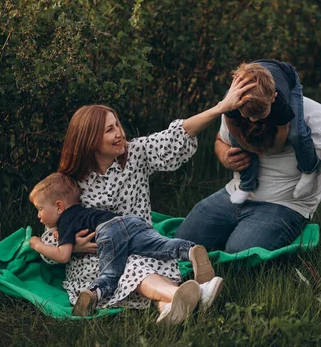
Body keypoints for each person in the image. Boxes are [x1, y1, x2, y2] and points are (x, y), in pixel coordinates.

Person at [36, 75, 255, 324]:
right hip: (95, 263)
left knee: (140, 262)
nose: (119, 133)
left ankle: (171, 305)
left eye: (117, 125)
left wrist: (221, 108)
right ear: (89, 139)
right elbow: (49, 237)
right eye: (110, 130)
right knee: (128, 266)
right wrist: (71, 246)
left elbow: (177, 136)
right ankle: (192, 297)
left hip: (144, 246)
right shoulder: (69, 184)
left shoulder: (136, 153)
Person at [175, 97, 321, 269]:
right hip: (235, 193)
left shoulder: (315, 119)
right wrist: (225, 155)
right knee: (180, 245)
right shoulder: (238, 109)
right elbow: (220, 141)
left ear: (283, 129)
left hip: (286, 204)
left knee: (240, 256)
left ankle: (297, 234)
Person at [28, 172, 215, 317]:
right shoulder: (82, 211)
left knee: (110, 273)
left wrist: (36, 244)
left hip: (109, 231)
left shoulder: (66, 221)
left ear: (59, 206)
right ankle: (189, 250)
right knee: (158, 245)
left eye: (40, 209)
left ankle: (93, 294)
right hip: (130, 221)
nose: (38, 216)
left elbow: (63, 255)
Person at [224, 60, 321, 204]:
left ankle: (309, 169)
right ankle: (247, 183)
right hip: (255, 78)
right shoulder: (231, 101)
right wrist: (248, 147)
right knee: (233, 139)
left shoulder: (280, 102)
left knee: (297, 133)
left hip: (288, 76)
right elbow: (233, 129)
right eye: (249, 116)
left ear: (273, 98)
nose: (254, 120)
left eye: (260, 116)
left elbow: (283, 134)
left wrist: (269, 152)